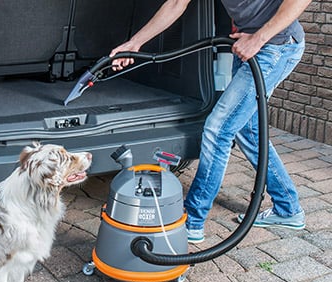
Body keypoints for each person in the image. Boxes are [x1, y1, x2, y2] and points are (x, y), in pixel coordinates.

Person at [110, 0, 310, 243]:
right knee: (247, 130)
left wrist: (259, 37)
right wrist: (135, 43)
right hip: (248, 43)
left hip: (275, 47)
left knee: (219, 129)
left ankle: (192, 221)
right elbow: (175, 3)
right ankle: (288, 208)